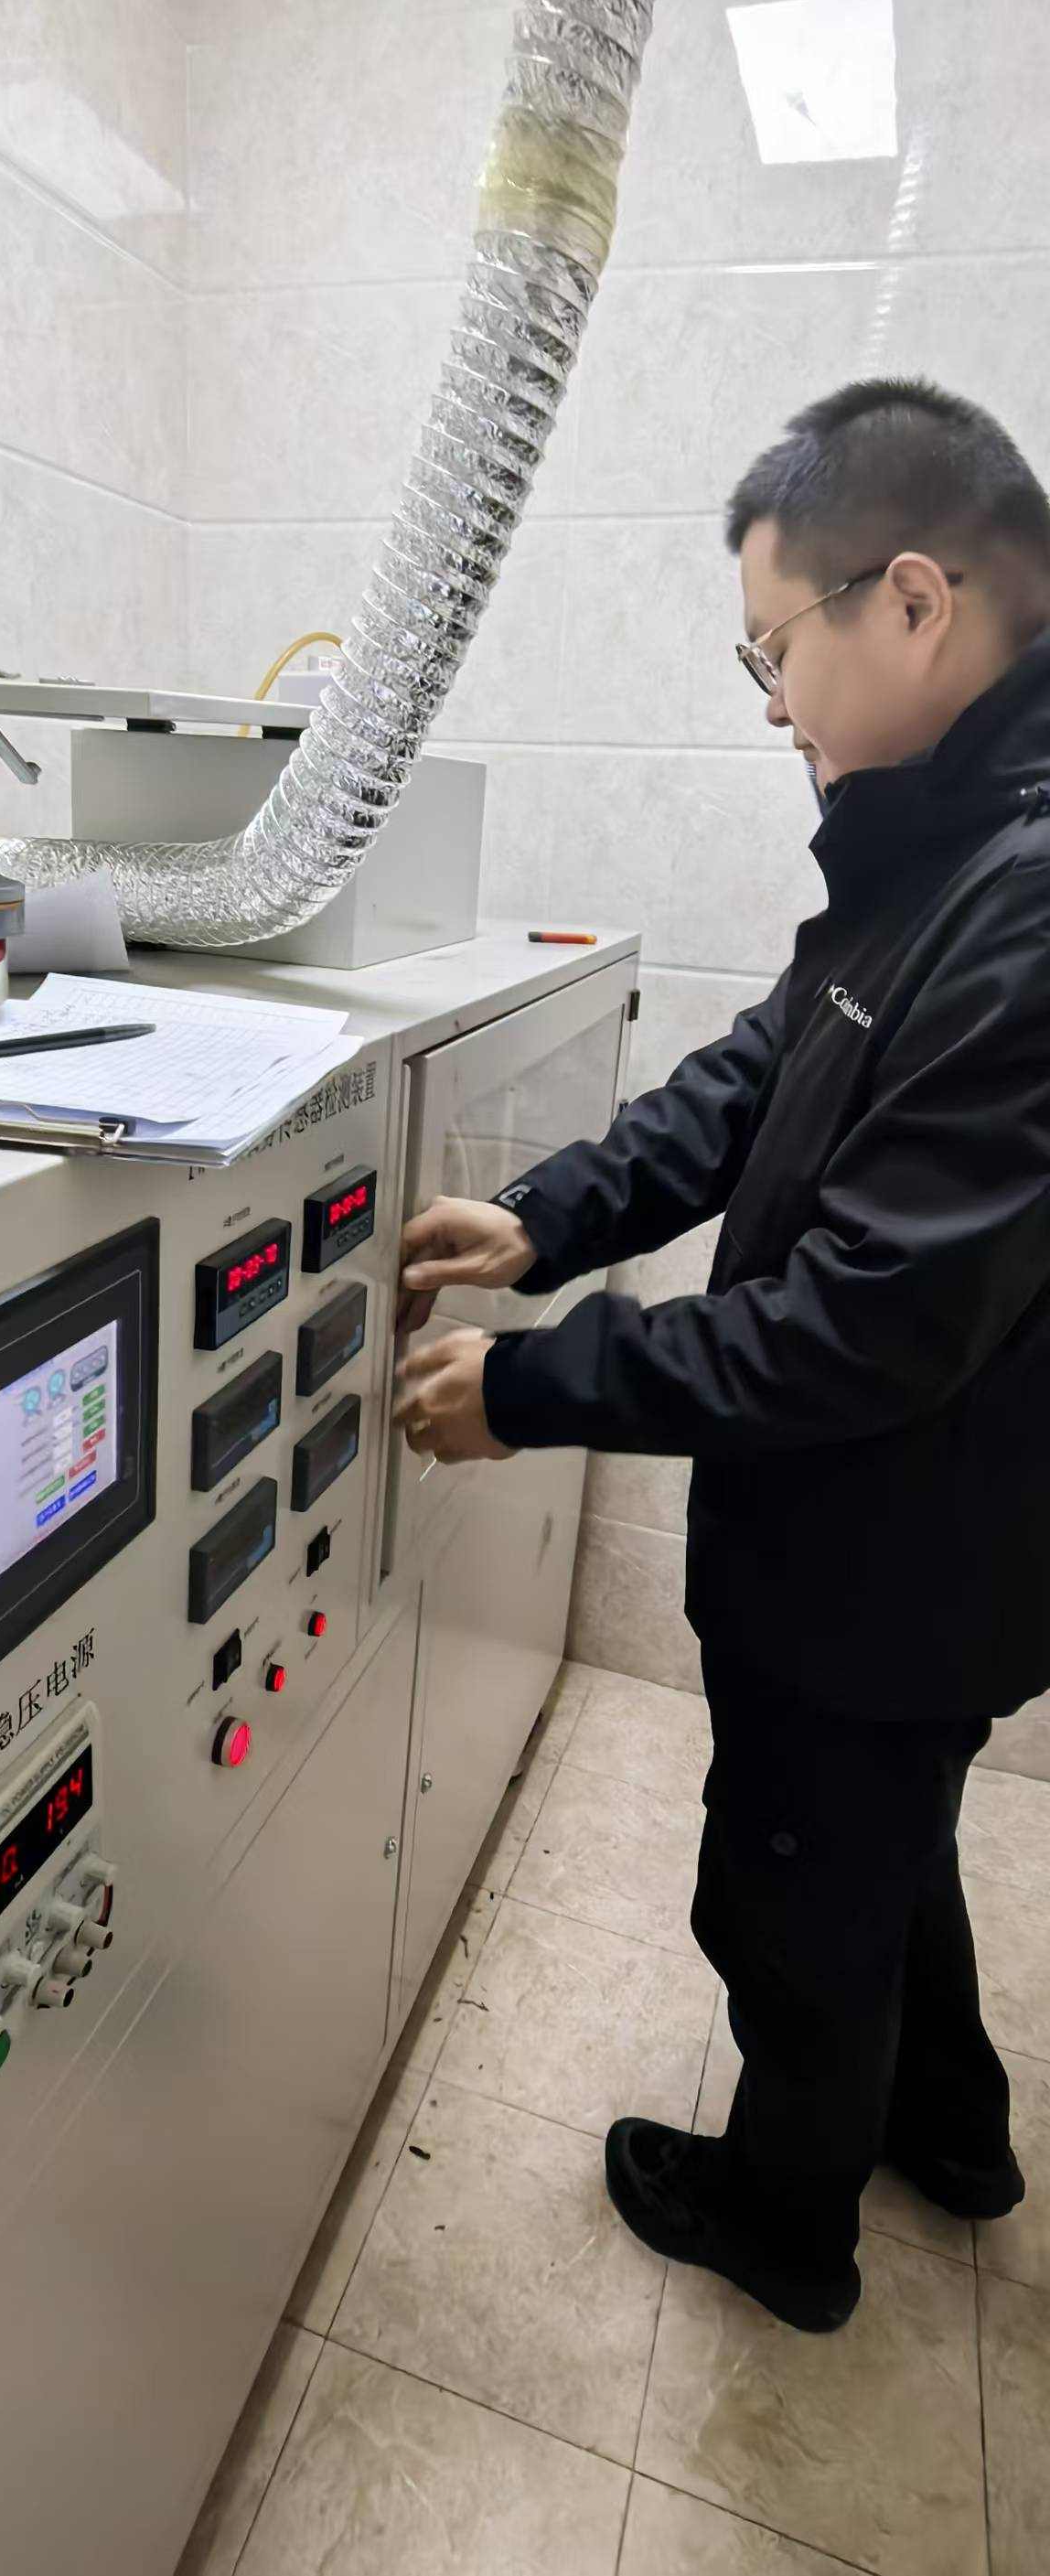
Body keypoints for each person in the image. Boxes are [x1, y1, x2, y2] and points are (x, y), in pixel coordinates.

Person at [392, 377, 1050, 2334]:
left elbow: (862, 1324)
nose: (768, 701)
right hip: (924, 1562)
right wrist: (553, 1215)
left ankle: (782, 2226)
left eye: (774, 647)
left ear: (909, 601)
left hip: (892, 1555)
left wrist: (532, 1386)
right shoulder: (937, 843)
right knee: (885, 1840)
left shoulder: (1024, 907)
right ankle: (952, 2129)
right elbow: (763, 1071)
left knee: (790, 1891)